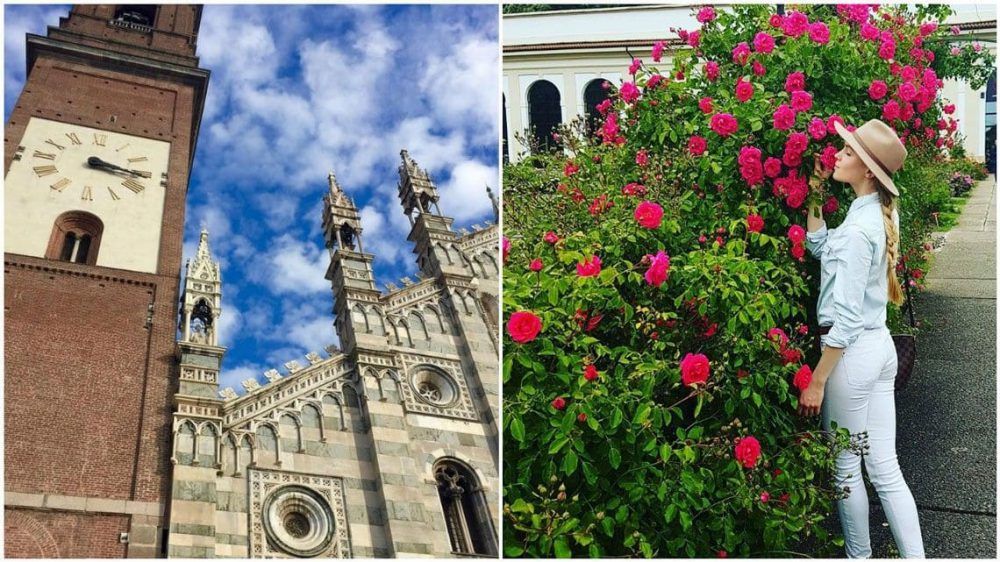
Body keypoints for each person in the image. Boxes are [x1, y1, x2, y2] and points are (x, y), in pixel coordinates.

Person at [798, 119, 925, 558]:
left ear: (868, 170)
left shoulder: (858, 231)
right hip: (879, 349)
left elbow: (846, 321)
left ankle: (860, 557)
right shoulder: (873, 214)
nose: (837, 154)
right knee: (885, 468)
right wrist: (815, 189)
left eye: (848, 152)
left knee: (846, 467)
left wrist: (817, 380)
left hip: (850, 356)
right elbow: (819, 246)